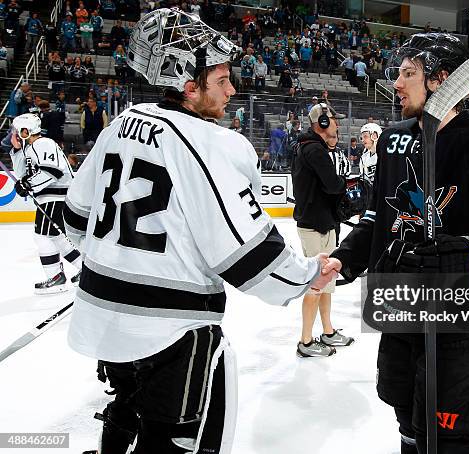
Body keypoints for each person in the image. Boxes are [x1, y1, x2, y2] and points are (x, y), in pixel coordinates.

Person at [62, 9, 335, 454]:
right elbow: (248, 256)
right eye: (222, 80)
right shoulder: (215, 145)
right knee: (168, 439)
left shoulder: (121, 124)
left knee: (123, 410)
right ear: (190, 86)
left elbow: (76, 221)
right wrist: (307, 275)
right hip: (172, 330)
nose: (232, 90)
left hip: (103, 316)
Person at [324, 33, 469, 453]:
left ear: (441, 79)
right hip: (400, 306)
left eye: (408, 74)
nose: (397, 84)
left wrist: (468, 255)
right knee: (407, 426)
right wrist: (344, 259)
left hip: (460, 319)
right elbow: (378, 217)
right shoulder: (393, 138)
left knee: (446, 439)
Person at [292, 102, 355, 357]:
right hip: (315, 225)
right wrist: (348, 185)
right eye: (334, 120)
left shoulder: (310, 147)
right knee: (316, 284)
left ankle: (327, 331)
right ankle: (305, 343)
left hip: (321, 223)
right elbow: (332, 185)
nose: (337, 125)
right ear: (323, 123)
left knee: (326, 281)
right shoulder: (314, 151)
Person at [9, 113, 81, 293]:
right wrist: (17, 150)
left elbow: (52, 171)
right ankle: (82, 269)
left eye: (18, 131)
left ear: (26, 131)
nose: (14, 134)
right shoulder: (29, 148)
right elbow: (21, 173)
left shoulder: (44, 143)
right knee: (54, 236)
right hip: (49, 198)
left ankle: (58, 276)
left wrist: (28, 184)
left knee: (44, 236)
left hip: (57, 197)